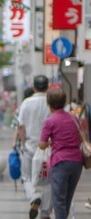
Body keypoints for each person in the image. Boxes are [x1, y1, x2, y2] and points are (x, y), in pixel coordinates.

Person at [39, 88, 84, 219]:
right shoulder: (74, 118)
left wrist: (50, 143)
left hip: (60, 162)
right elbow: (81, 137)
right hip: (77, 162)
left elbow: (42, 145)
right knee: (67, 200)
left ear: (49, 103)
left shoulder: (50, 121)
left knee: (59, 201)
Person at [16, 75, 52, 219]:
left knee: (26, 178)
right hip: (48, 148)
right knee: (48, 180)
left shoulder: (26, 103)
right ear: (48, 86)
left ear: (33, 87)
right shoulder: (51, 103)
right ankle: (45, 212)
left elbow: (21, 126)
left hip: (30, 147)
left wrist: (24, 144)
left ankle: (33, 197)